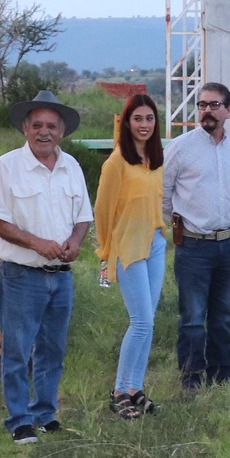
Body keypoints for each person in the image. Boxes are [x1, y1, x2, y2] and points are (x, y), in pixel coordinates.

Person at [0, 90, 93, 445]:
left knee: (53, 350)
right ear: (25, 129)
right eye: (37, 125)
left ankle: (45, 414)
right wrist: (37, 244)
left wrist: (75, 243)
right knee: (17, 351)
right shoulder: (6, 166)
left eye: (51, 126)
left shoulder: (71, 166)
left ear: (62, 131)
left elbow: (83, 219)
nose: (44, 132)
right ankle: (19, 420)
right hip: (21, 276)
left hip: (61, 277)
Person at [161, 81, 230, 389]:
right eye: (202, 105)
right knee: (193, 318)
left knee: (224, 316)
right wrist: (174, 224)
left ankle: (221, 373)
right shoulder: (181, 147)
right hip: (194, 247)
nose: (207, 111)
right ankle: (191, 376)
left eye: (214, 105)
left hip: (229, 246)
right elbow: (163, 190)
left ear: (228, 110)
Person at [93, 92, 167, 419]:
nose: (144, 124)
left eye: (149, 118)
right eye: (137, 118)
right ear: (127, 122)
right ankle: (119, 390)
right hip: (129, 249)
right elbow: (102, 210)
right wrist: (106, 254)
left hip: (155, 245)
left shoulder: (154, 160)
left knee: (148, 323)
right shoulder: (116, 163)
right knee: (141, 322)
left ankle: (135, 387)